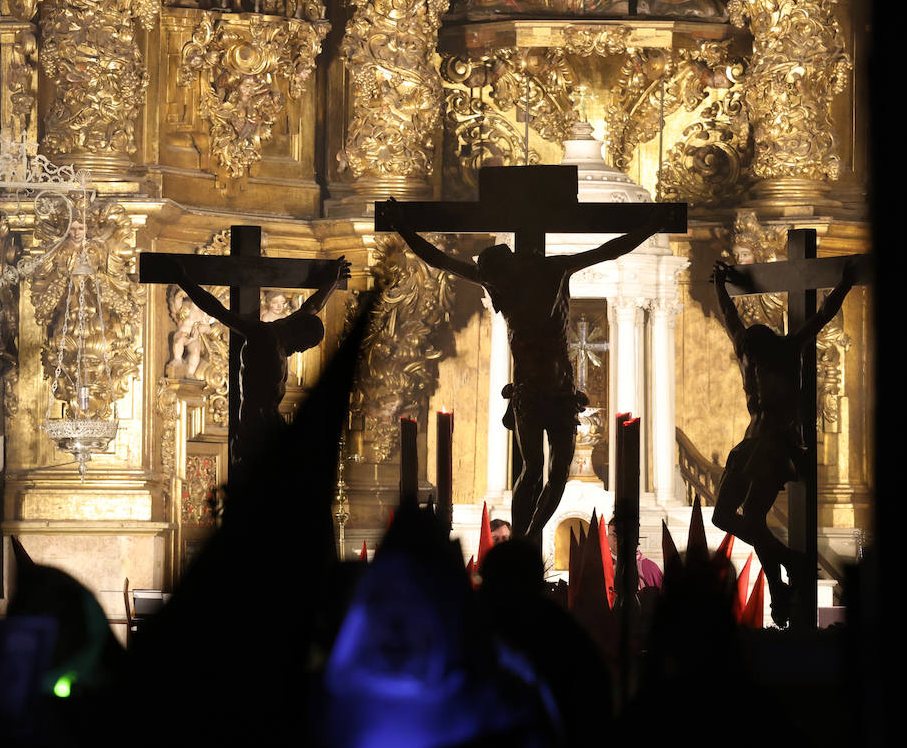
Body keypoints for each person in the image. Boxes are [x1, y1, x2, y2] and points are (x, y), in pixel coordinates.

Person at [385, 199, 669, 542]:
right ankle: (521, 537)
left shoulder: (550, 270)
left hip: (562, 392)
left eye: (493, 278)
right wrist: (401, 228)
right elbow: (440, 260)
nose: (492, 288)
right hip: (530, 391)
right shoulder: (502, 279)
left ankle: (530, 533)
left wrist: (651, 228)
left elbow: (610, 250)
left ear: (507, 267)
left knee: (558, 473)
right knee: (533, 469)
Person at [711, 257, 857, 626]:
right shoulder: (747, 349)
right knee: (722, 516)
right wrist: (718, 285)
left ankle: (779, 585)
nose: (748, 360)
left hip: (777, 445)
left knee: (755, 518)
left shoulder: (788, 349)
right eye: (747, 355)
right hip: (749, 444)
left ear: (764, 347)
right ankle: (791, 563)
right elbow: (729, 317)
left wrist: (845, 285)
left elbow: (822, 315)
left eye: (752, 354)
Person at [178, 257, 348, 466]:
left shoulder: (288, 331)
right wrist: (183, 280)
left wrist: (333, 282)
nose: (300, 350)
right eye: (303, 345)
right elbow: (218, 311)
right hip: (255, 435)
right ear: (297, 333)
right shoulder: (263, 336)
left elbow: (313, 305)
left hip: (272, 429)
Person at [607, 516, 662, 590]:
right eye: (614, 535)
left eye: (623, 535)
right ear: (607, 537)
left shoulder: (650, 568)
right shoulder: (601, 565)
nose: (618, 539)